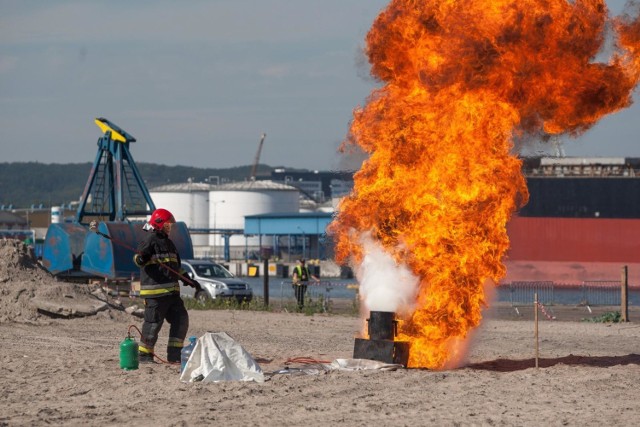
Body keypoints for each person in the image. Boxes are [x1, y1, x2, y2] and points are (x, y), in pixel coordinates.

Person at [133, 208, 199, 363]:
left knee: (181, 320)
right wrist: (142, 259)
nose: (170, 228)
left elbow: (176, 267)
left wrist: (188, 279)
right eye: (167, 225)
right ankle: (144, 355)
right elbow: (137, 258)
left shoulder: (169, 244)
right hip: (155, 293)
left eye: (170, 225)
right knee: (153, 324)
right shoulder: (149, 240)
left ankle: (175, 355)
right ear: (159, 224)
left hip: (172, 294)